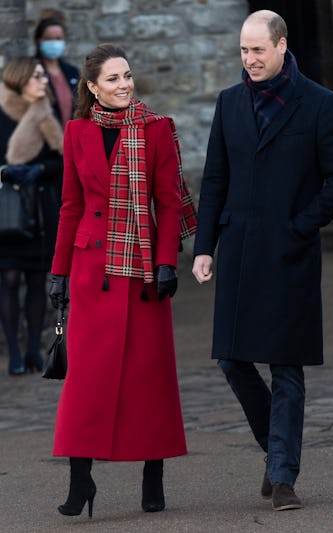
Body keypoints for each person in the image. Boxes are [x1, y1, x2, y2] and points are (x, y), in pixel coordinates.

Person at [192, 10, 333, 511]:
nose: (249, 59)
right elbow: (215, 179)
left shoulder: (320, 104)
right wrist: (203, 247)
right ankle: (276, 452)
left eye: (258, 50)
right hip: (240, 249)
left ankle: (283, 475)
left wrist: (301, 225)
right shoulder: (229, 103)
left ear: (282, 46)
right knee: (231, 360)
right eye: (243, 50)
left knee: (286, 366)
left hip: (289, 253)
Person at [48, 43, 196, 518]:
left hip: (144, 272)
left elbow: (169, 203)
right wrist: (58, 271)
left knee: (148, 377)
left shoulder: (156, 130)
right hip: (92, 269)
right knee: (85, 381)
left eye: (128, 76)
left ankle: (153, 475)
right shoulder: (77, 133)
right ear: (92, 87)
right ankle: (80, 480)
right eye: (113, 79)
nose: (125, 85)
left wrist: (168, 260)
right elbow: (71, 205)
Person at [0, 57, 64, 376]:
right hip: (8, 210)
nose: (44, 81)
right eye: (37, 76)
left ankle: (33, 351)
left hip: (40, 208)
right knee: (9, 279)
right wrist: (6, 170)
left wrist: (39, 169)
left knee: (38, 280)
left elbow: (63, 161)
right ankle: (13, 350)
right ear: (20, 79)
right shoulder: (2, 114)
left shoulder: (45, 114)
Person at [34, 9, 80, 128]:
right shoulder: (31, 71)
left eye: (58, 38)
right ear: (39, 41)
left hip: (70, 140)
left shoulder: (72, 72)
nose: (54, 43)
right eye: (48, 38)